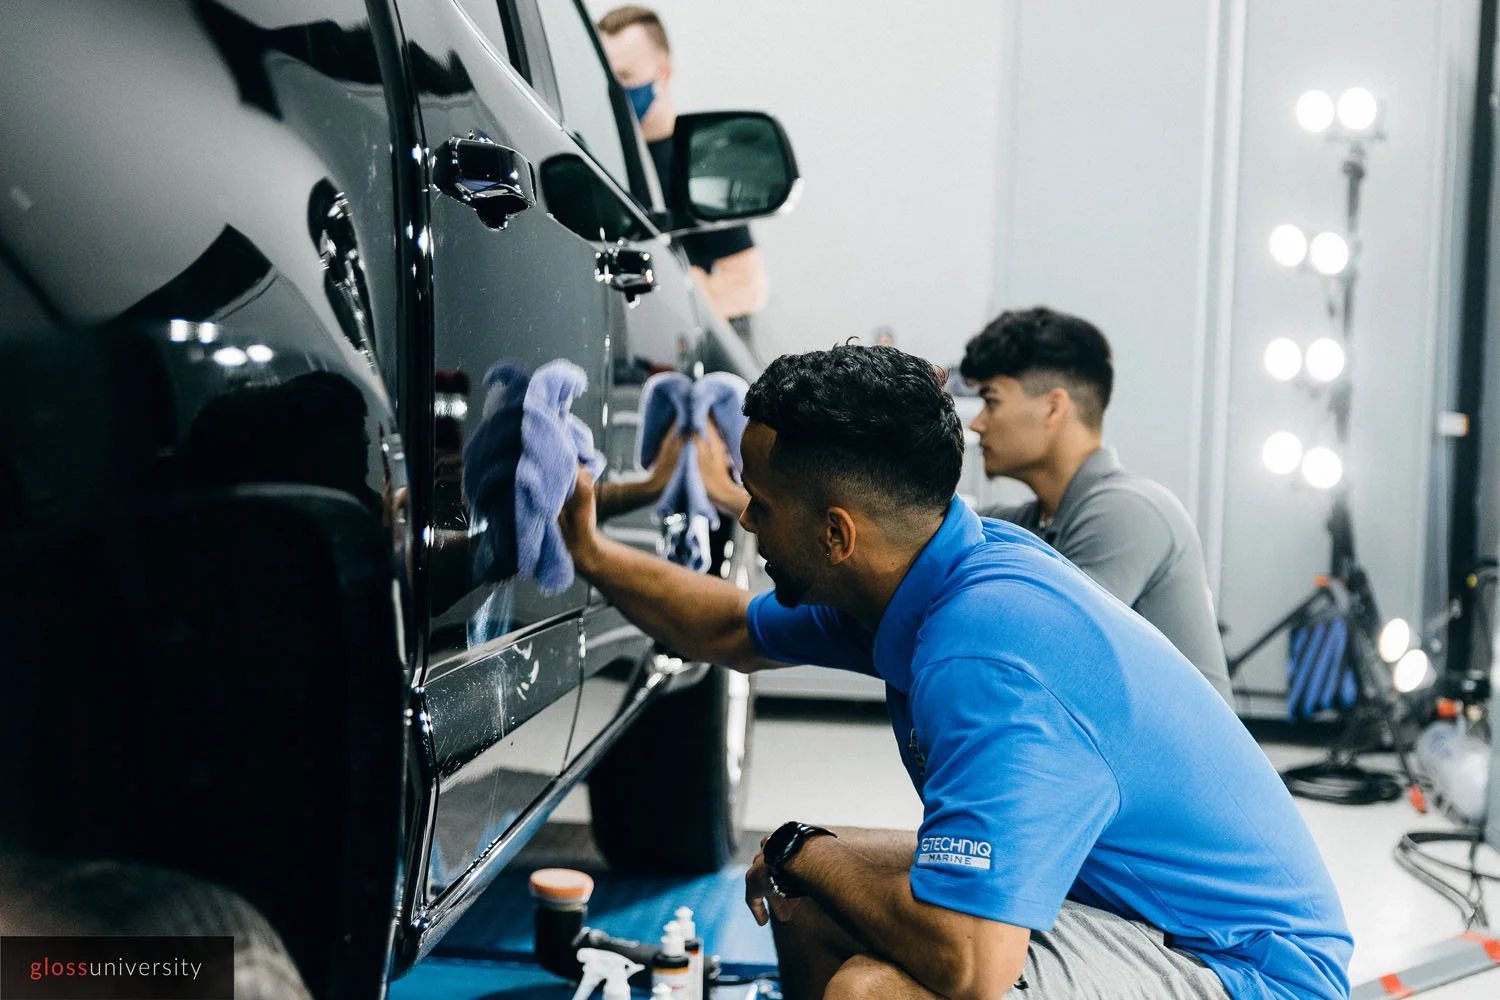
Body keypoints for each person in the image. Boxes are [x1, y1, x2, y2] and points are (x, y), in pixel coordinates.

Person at [557, 344, 1350, 1000]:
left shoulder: (986, 655)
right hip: (1131, 906)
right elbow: (730, 628)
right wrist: (587, 550)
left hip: (1240, 967)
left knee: (871, 991)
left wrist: (807, 848)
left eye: (762, 503)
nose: (748, 518)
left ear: (837, 535)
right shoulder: (920, 571)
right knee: (805, 895)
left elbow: (970, 964)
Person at [961, 306, 1234, 703]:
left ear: (1054, 407)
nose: (977, 423)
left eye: (991, 401)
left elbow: (1041, 658)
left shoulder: (1130, 511)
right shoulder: (1028, 523)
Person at [596, 6, 769, 330]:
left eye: (626, 77)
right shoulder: (599, 153)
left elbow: (748, 288)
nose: (617, 91)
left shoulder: (697, 160)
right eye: (608, 78)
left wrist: (681, 291)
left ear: (663, 74)